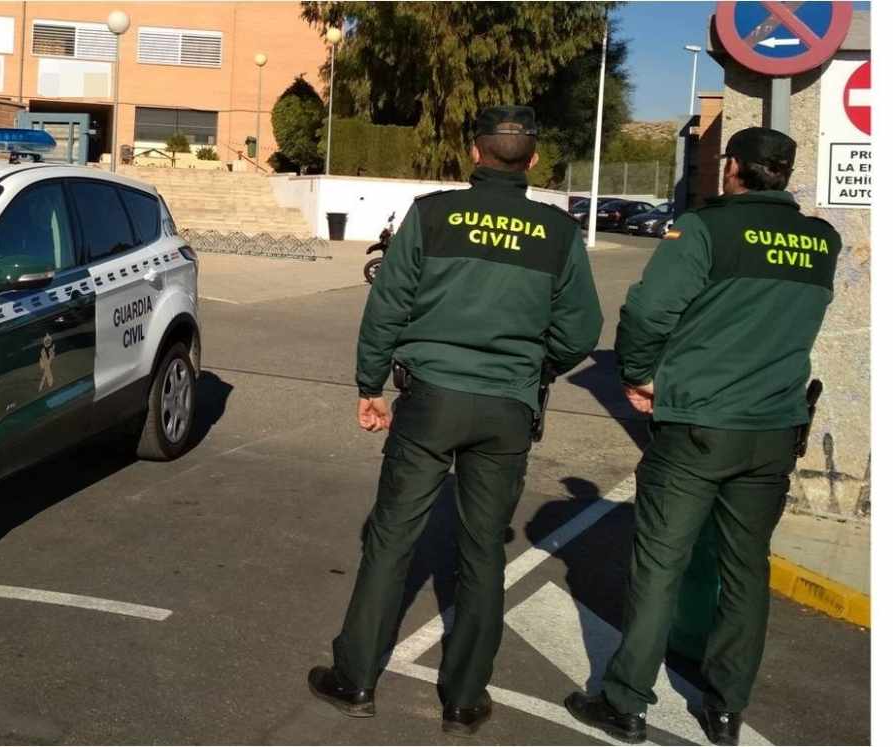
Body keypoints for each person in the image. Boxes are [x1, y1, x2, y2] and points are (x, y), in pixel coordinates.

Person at [307, 106, 602, 735]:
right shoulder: (557, 232)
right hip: (508, 409)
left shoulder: (433, 215)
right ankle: (464, 700)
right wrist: (532, 368)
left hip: (430, 399)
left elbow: (388, 302)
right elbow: (580, 331)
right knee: (482, 552)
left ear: (474, 154)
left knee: (391, 539)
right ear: (534, 160)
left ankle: (355, 678)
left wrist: (370, 383)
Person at [564, 126, 842, 746]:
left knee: (660, 565)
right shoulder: (822, 240)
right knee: (746, 570)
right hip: (773, 428)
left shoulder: (707, 229)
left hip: (697, 425)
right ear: (785, 173)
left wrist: (637, 375)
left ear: (735, 168)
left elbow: (647, 311)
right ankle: (725, 708)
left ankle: (626, 701)